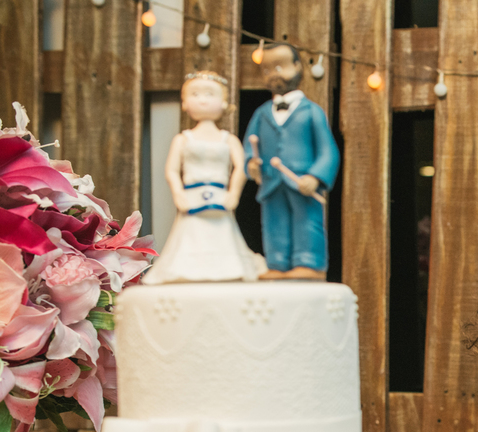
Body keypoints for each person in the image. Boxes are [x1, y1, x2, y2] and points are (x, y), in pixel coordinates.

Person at [144, 71, 260, 284]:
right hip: (192, 197)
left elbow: (241, 167)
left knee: (221, 234)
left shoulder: (228, 139)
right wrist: (178, 193)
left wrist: (234, 193)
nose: (202, 100)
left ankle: (225, 269)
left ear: (223, 102)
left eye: (209, 94)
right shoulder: (183, 139)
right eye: (195, 94)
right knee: (191, 234)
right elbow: (171, 170)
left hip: (219, 197)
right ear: (184, 103)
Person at [244, 43, 339, 280]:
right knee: (273, 224)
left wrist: (315, 176)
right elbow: (248, 146)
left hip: (301, 182)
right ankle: (277, 263)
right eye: (267, 70)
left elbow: (328, 150)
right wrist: (250, 164)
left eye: (279, 67)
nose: (273, 75)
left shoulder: (312, 111)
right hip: (271, 181)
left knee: (307, 222)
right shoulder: (262, 113)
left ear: (297, 66)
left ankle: (309, 262)